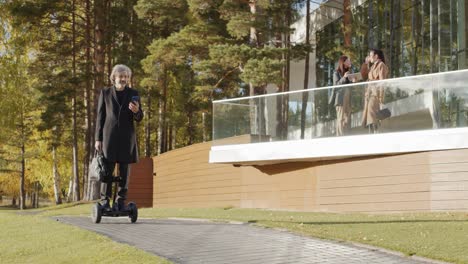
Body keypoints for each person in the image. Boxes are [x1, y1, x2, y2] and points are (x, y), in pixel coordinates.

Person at [95, 64, 143, 211]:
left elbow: (139, 117)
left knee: (124, 172)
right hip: (109, 138)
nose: (123, 79)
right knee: (107, 171)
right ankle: (104, 201)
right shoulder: (105, 93)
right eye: (121, 76)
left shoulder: (133, 93)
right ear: (114, 77)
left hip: (126, 139)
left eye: (126, 77)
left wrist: (136, 111)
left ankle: (120, 201)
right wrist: (98, 139)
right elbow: (100, 117)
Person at [360, 49, 389, 133]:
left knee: (373, 115)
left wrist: (381, 99)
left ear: (376, 56)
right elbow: (364, 76)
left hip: (375, 94)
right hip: (369, 94)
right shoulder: (372, 66)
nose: (369, 57)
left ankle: (375, 135)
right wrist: (365, 63)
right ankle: (372, 135)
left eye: (370, 55)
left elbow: (382, 82)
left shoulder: (381, 65)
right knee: (369, 117)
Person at [329, 55, 354, 136]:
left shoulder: (349, 73)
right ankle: (340, 136)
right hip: (340, 99)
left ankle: (346, 135)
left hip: (348, 98)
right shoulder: (336, 73)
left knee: (347, 118)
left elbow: (350, 87)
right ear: (343, 62)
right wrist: (344, 77)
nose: (350, 62)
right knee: (340, 118)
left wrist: (353, 81)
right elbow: (336, 85)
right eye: (348, 60)